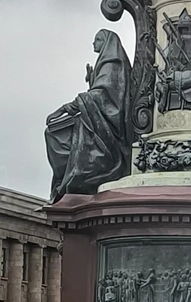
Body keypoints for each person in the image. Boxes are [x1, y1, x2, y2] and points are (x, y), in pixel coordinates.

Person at [45, 30, 134, 200]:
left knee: (55, 134)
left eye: (97, 40)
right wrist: (92, 81)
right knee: (54, 134)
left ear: (107, 43)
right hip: (97, 119)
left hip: (108, 125)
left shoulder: (111, 65)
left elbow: (102, 96)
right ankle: (66, 180)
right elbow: (101, 94)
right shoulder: (107, 65)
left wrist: (65, 108)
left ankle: (74, 178)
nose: (94, 43)